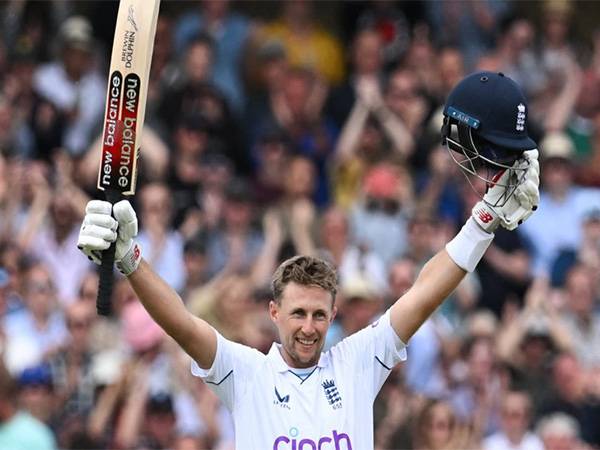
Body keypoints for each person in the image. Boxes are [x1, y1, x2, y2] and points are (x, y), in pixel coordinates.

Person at [77, 71, 540, 449]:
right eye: (298, 312)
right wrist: (131, 259)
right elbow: (180, 321)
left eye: (319, 314)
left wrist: (482, 223)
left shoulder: (356, 362)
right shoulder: (248, 374)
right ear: (273, 312)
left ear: (334, 315)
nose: (308, 326)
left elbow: (423, 293)